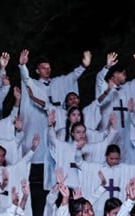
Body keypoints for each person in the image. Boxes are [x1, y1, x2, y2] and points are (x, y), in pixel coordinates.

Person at [19, 49, 91, 189]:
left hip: (60, 134)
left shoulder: (58, 83)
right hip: (41, 128)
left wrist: (84, 66)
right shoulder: (34, 83)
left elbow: (72, 77)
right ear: (37, 70)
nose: (47, 70)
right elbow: (26, 79)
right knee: (43, 163)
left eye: (49, 68)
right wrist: (22, 66)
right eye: (43, 68)